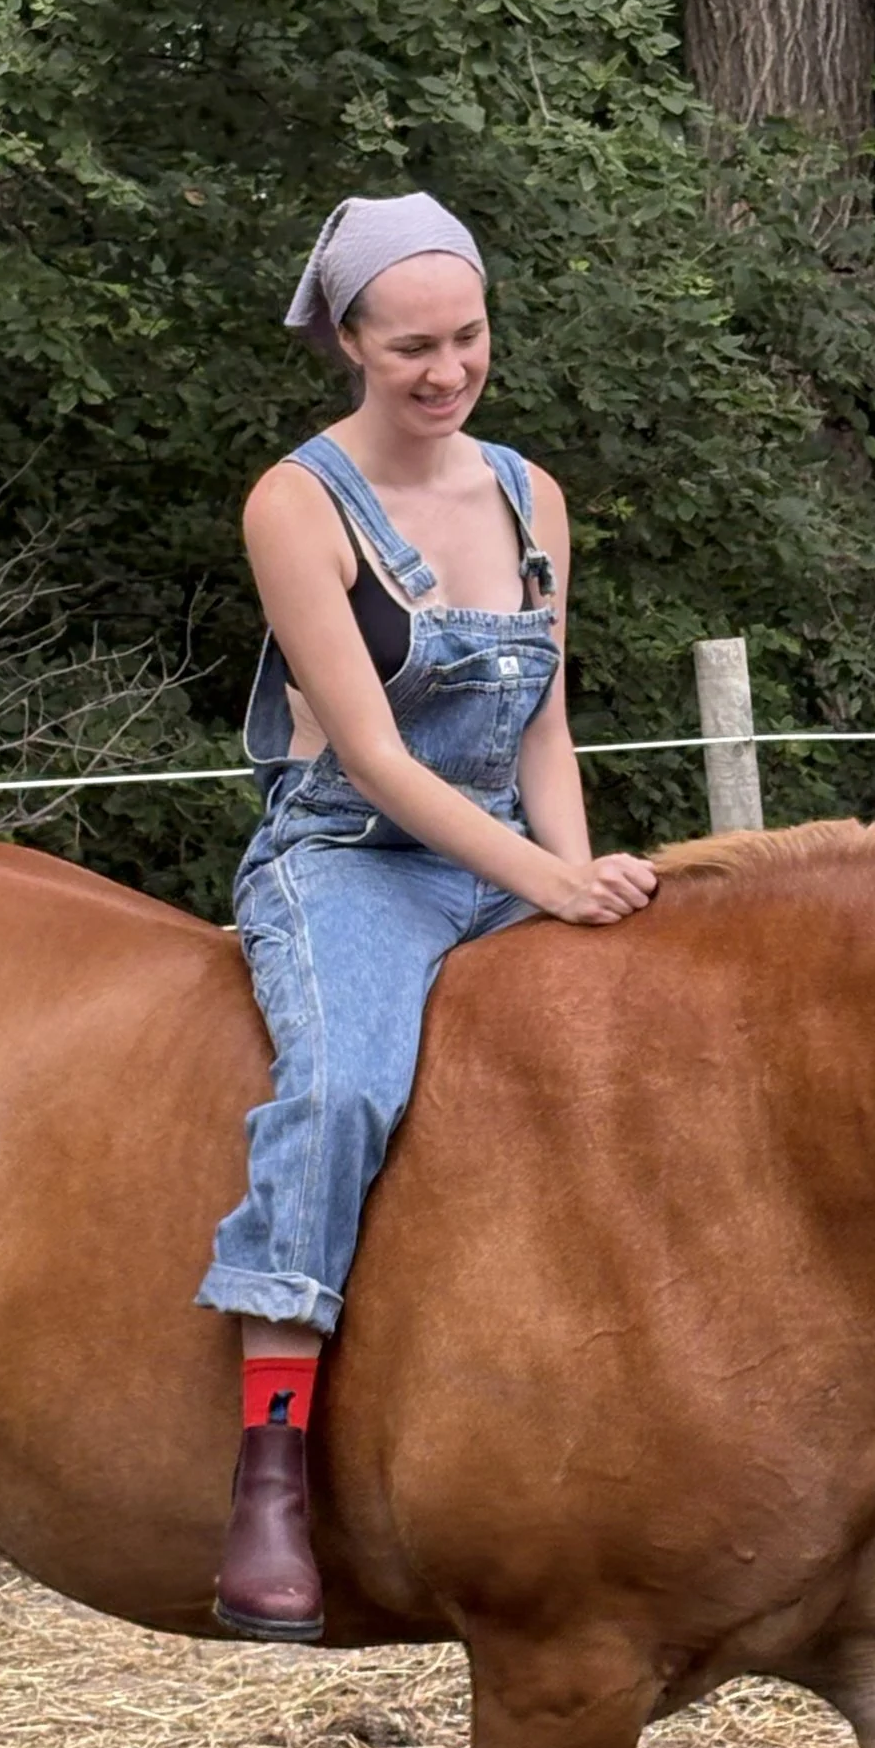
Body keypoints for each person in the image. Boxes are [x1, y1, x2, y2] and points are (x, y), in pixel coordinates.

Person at [197, 192, 658, 1641]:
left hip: (511, 855)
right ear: (348, 341)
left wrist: (583, 896)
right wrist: (543, 883)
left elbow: (545, 721)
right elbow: (382, 761)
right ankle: (271, 1465)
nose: (446, 369)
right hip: (350, 857)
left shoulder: (533, 496)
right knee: (339, 1093)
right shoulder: (296, 503)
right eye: (412, 346)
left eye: (466, 339)